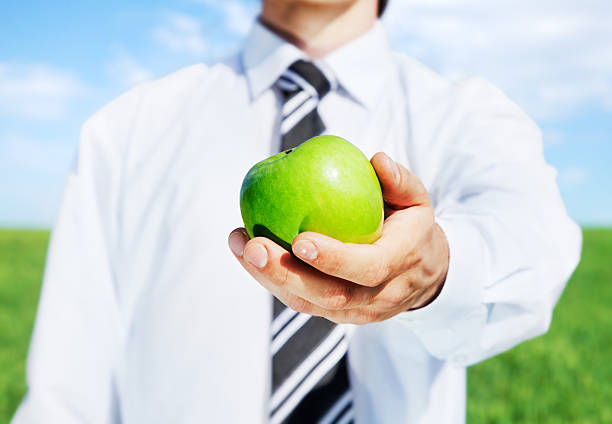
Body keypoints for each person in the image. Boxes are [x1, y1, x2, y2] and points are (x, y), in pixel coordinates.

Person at [13, 0, 581, 423]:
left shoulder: (464, 115)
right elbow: (67, 385)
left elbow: (534, 243)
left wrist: (436, 268)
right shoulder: (125, 130)